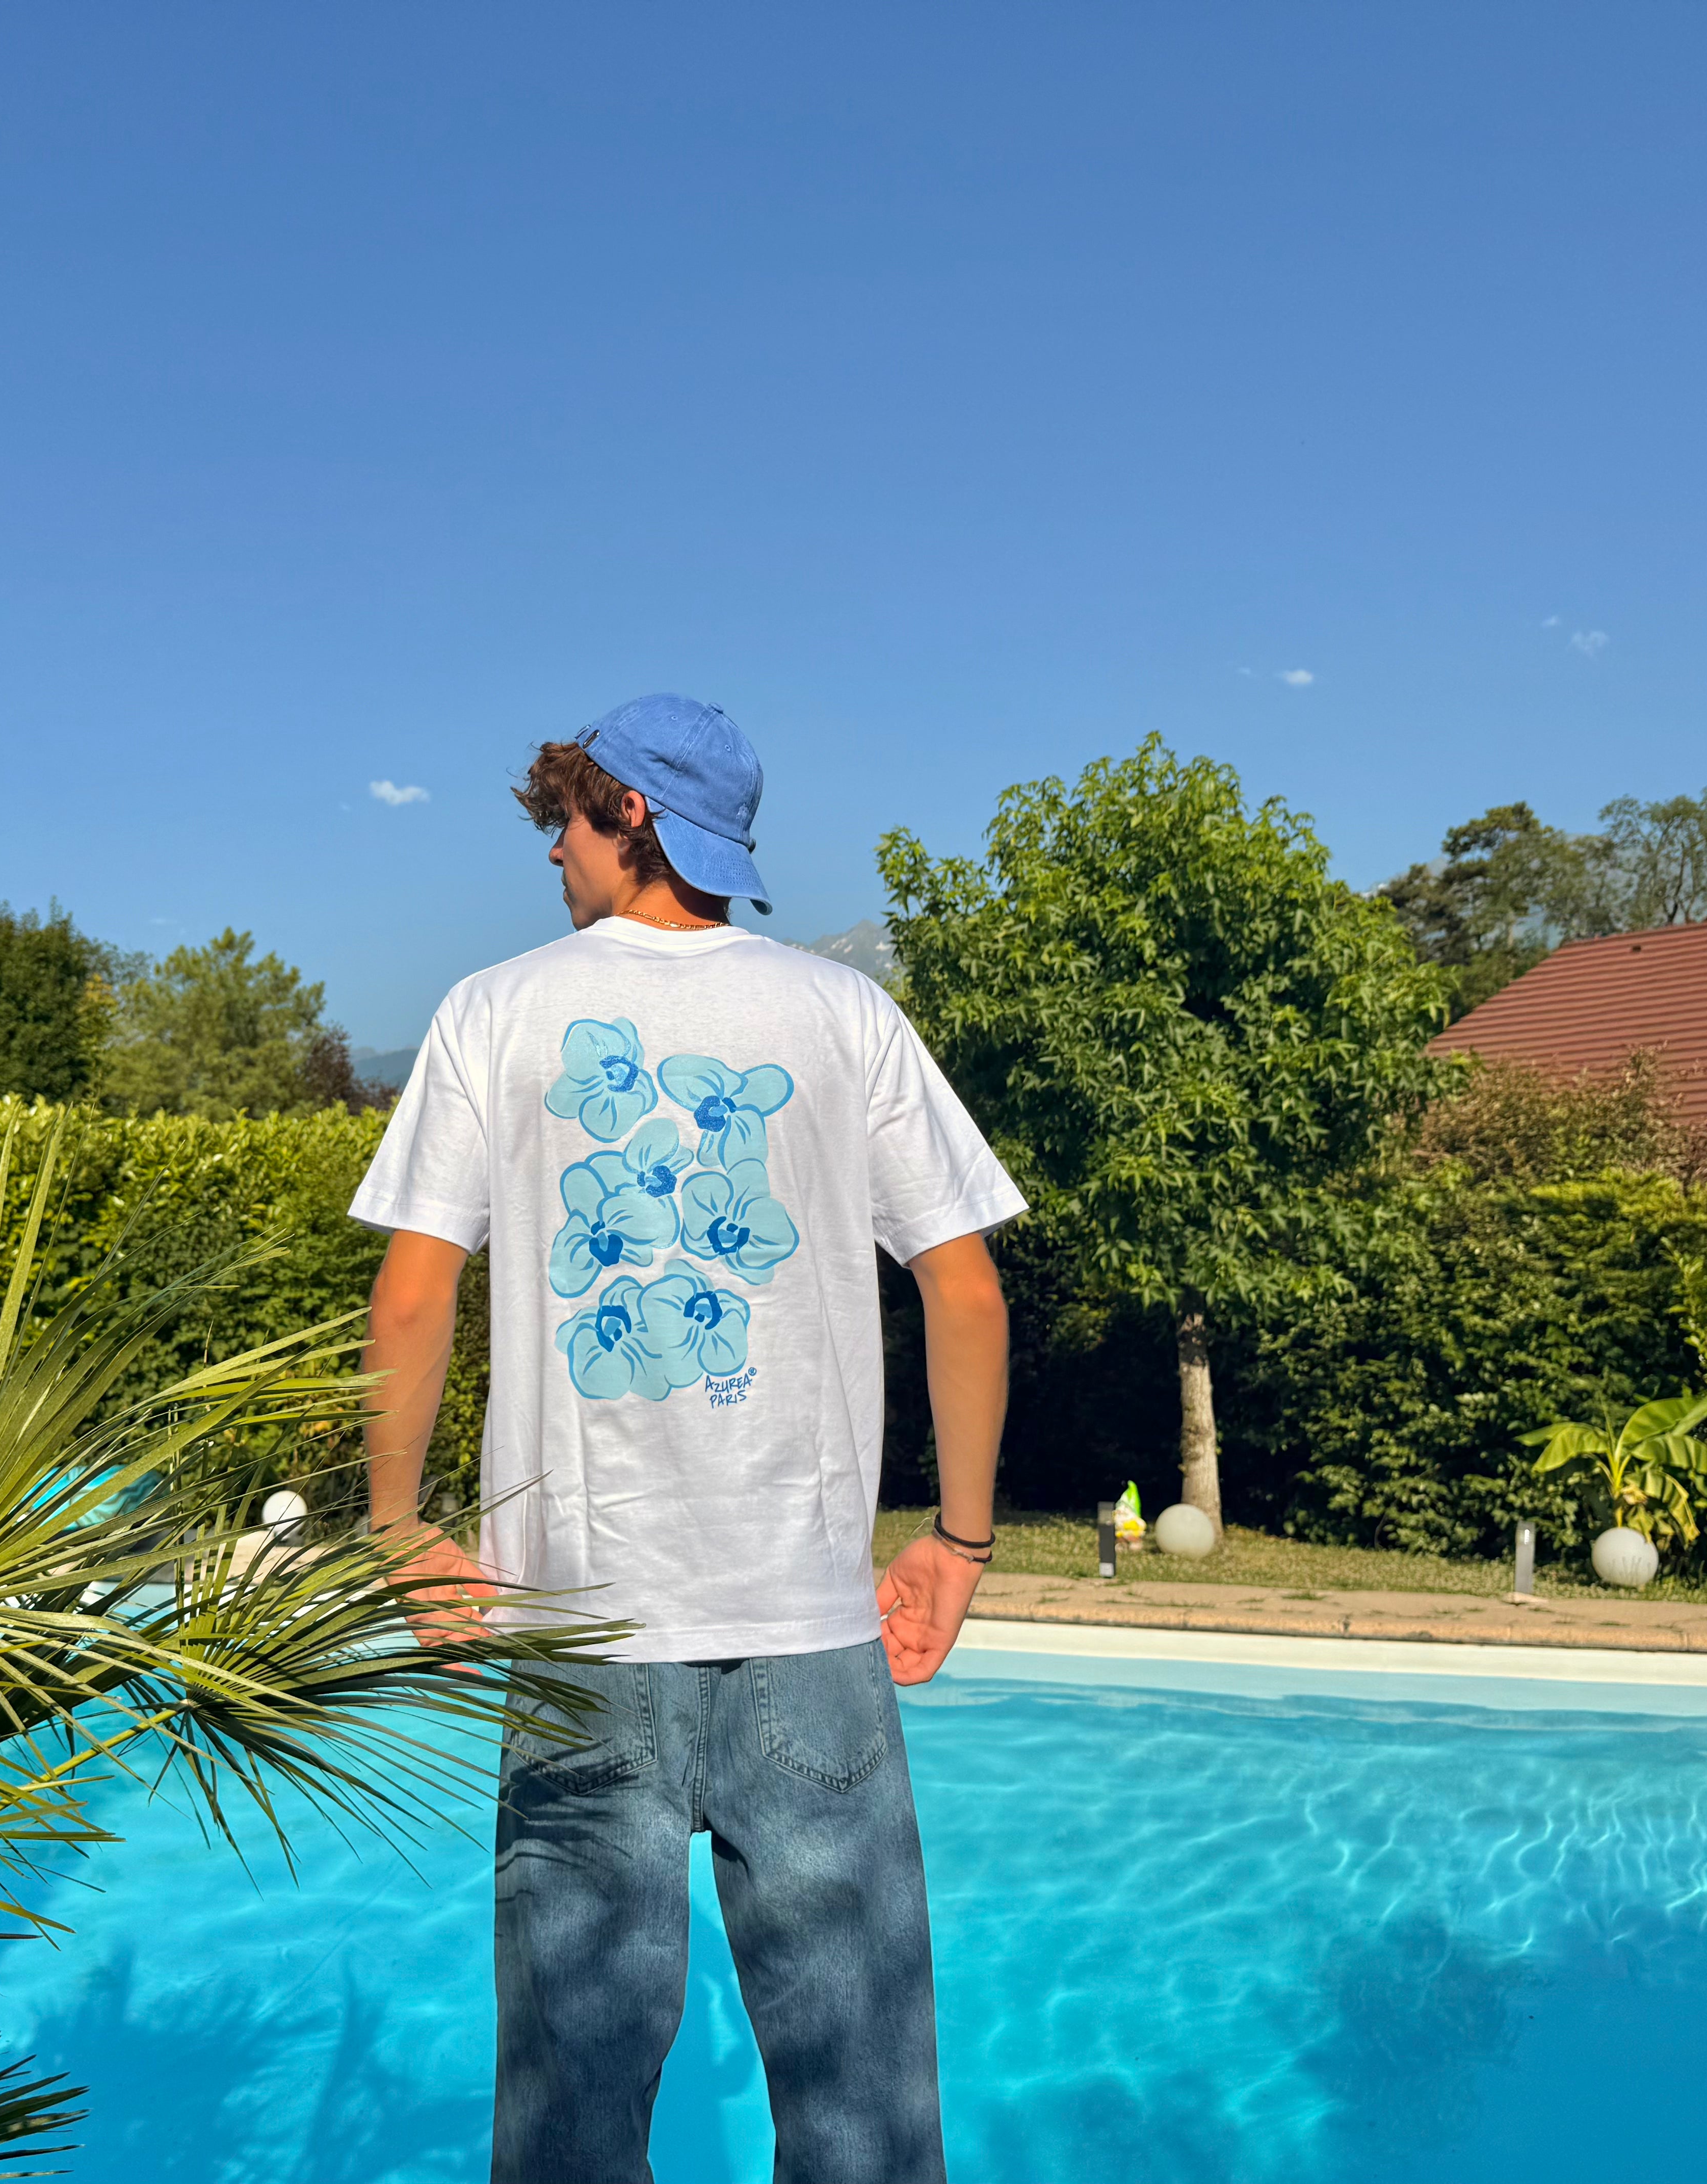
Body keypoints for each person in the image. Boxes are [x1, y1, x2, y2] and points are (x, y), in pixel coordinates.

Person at [351, 692, 1022, 2184]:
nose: (553, 856)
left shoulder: (492, 1012)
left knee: (569, 2139)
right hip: (810, 1634)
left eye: (563, 821)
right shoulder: (845, 1016)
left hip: (578, 1637)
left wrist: (397, 1526)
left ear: (630, 814)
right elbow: (966, 1288)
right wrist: (961, 1540)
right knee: (866, 2129)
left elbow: (411, 1295)